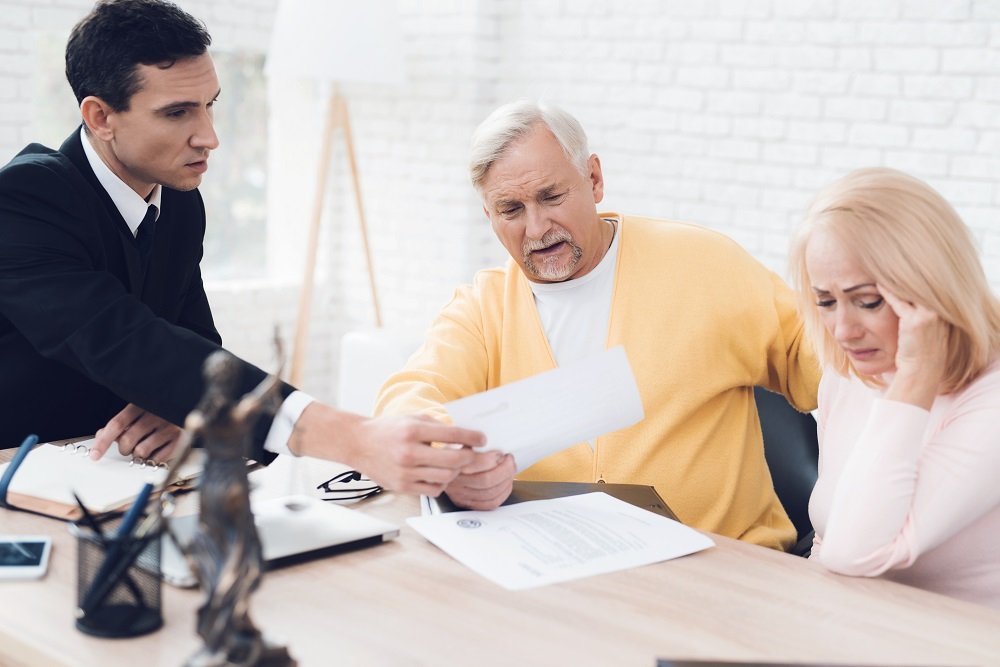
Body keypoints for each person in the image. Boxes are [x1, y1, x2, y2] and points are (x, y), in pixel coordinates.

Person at [0, 0, 490, 498]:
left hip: (127, 481)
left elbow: (195, 341)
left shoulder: (179, 201)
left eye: (210, 104)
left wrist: (191, 409)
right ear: (101, 116)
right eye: (177, 113)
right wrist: (353, 437)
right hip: (21, 479)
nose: (209, 137)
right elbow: (125, 341)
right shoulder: (24, 200)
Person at [375, 100, 820, 551]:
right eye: (511, 209)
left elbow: (820, 357)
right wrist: (451, 462)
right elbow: (407, 400)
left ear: (593, 179)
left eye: (552, 197)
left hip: (727, 563)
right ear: (489, 216)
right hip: (563, 571)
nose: (536, 227)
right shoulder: (482, 308)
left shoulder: (706, 263)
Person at [789, 167, 1000, 609]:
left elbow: (855, 550)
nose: (844, 329)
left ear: (930, 289)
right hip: (851, 621)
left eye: (867, 301)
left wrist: (916, 380)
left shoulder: (989, 396)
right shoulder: (850, 376)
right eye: (825, 301)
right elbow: (828, 543)